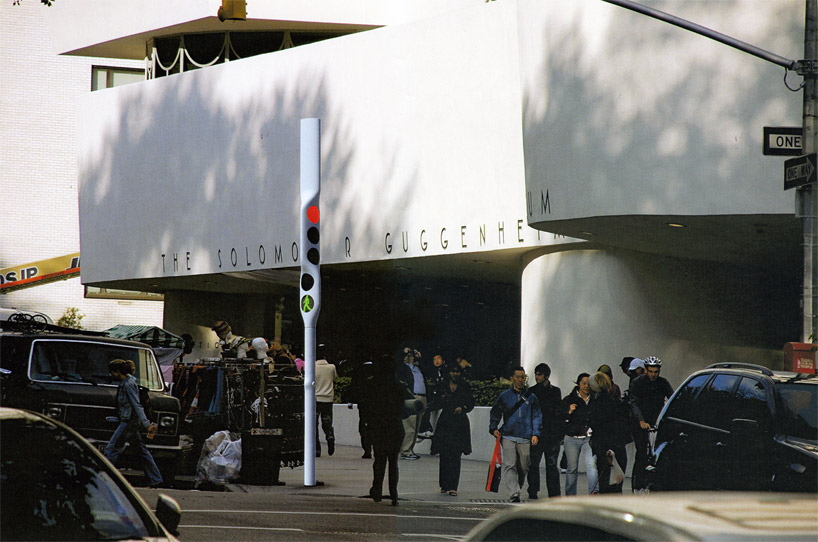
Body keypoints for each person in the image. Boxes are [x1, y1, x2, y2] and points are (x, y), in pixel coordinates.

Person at [104, 358, 163, 488]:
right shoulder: (128, 382)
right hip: (130, 421)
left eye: (113, 372)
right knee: (141, 451)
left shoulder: (128, 384)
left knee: (111, 449)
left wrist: (147, 424)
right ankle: (156, 478)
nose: (111, 375)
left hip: (128, 422)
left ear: (118, 372)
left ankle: (104, 478)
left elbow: (137, 405)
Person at [489, 366, 541, 503]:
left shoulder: (532, 397)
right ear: (512, 378)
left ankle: (517, 486)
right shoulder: (504, 396)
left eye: (522, 377)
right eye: (517, 377)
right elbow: (495, 411)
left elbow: (536, 415)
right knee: (510, 464)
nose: (520, 380)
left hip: (525, 436)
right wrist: (493, 427)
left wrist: (536, 433)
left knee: (524, 465)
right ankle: (514, 492)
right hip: (508, 435)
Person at [360, 354, 405, 506]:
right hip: (394, 426)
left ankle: (377, 489)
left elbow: (366, 406)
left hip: (379, 426)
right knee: (393, 461)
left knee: (379, 460)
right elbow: (404, 408)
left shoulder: (373, 385)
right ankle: (394, 493)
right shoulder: (399, 385)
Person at [629, 355, 673, 492]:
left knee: (657, 454)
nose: (653, 375)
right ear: (645, 370)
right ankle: (637, 485)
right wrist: (641, 420)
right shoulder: (637, 383)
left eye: (656, 372)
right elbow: (633, 403)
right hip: (640, 422)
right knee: (642, 452)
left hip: (656, 421)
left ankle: (653, 484)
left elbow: (671, 398)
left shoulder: (663, 383)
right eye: (651, 371)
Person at [430, 363, 474, 496]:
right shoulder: (442, 385)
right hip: (445, 422)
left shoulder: (465, 386)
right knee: (444, 454)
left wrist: (463, 408)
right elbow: (435, 401)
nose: (455, 374)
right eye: (453, 371)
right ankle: (444, 484)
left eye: (457, 371)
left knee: (456, 455)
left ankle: (453, 486)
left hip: (459, 424)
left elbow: (471, 403)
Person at [525, 362, 563, 499]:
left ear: (546, 376)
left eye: (539, 374)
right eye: (536, 374)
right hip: (538, 433)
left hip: (551, 433)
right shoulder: (532, 391)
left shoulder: (554, 391)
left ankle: (553, 492)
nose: (536, 376)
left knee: (551, 465)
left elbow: (558, 412)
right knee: (534, 464)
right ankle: (533, 489)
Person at [588, 371, 627, 493]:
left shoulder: (596, 404)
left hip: (606, 449)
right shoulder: (615, 402)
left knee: (606, 484)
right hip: (618, 448)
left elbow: (600, 428)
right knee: (616, 485)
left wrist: (605, 447)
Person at [562, 372, 598, 495]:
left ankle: (594, 492)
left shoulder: (594, 399)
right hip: (572, 437)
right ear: (578, 384)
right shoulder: (569, 399)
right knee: (572, 468)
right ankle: (570, 495)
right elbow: (560, 416)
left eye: (589, 384)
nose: (586, 386)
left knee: (591, 465)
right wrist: (568, 412)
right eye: (583, 383)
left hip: (589, 438)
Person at [396, 347, 426, 460]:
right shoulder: (403, 368)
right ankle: (405, 450)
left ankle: (410, 449)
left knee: (416, 426)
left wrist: (420, 358)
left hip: (422, 397)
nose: (411, 357)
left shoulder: (418, 368)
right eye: (409, 356)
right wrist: (403, 352)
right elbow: (396, 363)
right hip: (412, 396)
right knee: (410, 425)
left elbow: (429, 369)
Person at [315, 344, 337, 457]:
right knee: (327, 422)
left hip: (315, 399)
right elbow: (334, 378)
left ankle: (317, 449)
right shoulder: (331, 367)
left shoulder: (312, 367)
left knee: (314, 424)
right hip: (328, 398)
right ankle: (330, 436)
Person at [418, 353, 447, 439]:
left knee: (427, 408)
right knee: (425, 408)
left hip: (443, 398)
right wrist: (420, 358)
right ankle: (426, 429)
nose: (437, 361)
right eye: (434, 360)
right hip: (434, 398)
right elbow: (423, 369)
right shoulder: (432, 372)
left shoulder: (447, 371)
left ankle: (427, 428)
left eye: (438, 359)